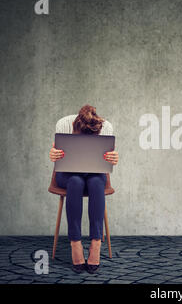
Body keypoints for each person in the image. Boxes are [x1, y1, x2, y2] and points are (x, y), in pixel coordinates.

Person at [49, 105, 118, 274]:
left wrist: (114, 158)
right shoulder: (65, 124)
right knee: (75, 182)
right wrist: (52, 153)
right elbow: (54, 149)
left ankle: (96, 243)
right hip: (68, 174)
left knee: (95, 183)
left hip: (95, 174)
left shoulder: (105, 127)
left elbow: (110, 157)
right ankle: (75, 243)